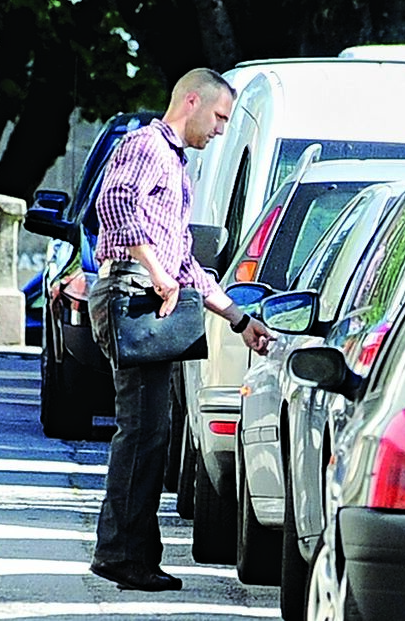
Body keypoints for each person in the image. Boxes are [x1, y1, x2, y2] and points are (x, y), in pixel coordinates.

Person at [87, 68, 272, 592]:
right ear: (191, 100)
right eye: (217, 117)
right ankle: (121, 554)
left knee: (152, 432)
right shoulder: (148, 144)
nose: (219, 130)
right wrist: (159, 274)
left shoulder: (173, 161)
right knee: (143, 431)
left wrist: (239, 320)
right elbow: (115, 208)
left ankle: (134, 554)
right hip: (134, 293)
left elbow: (186, 263)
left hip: (149, 291)